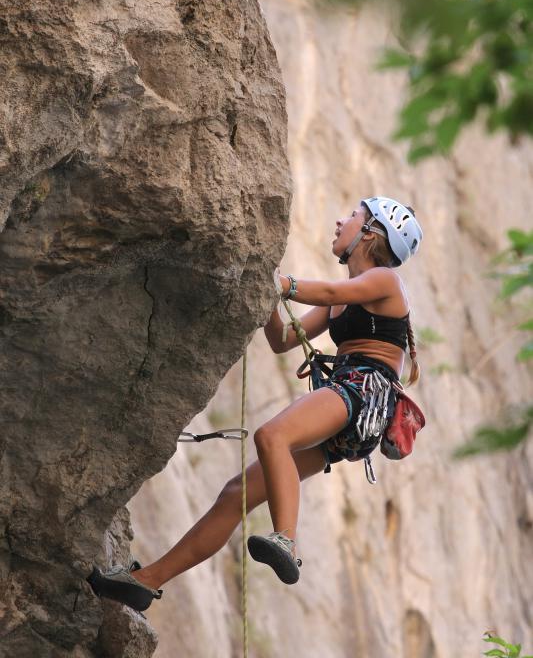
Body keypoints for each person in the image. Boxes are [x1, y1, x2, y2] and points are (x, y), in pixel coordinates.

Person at [87, 196, 422, 611]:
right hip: (354, 408)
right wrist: (261, 287)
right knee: (235, 494)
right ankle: (145, 581)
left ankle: (286, 539)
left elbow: (332, 289)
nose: (340, 220)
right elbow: (283, 340)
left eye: (353, 216)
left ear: (372, 234)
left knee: (272, 435)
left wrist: (283, 284)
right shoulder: (341, 299)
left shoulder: (384, 282)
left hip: (363, 392)